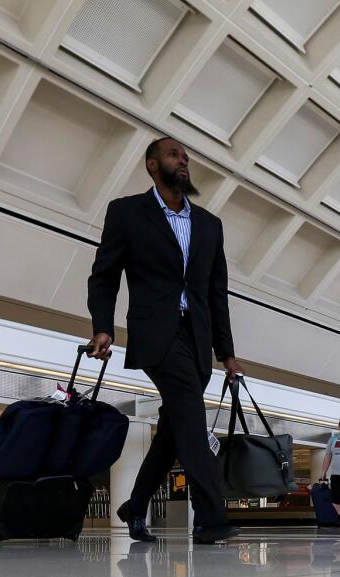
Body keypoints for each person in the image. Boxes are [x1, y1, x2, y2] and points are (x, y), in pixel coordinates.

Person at [88, 136, 245, 545]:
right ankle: (211, 518)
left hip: (198, 337)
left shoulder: (210, 225)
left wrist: (226, 353)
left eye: (186, 157)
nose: (184, 161)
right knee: (190, 418)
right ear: (152, 165)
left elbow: (216, 293)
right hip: (157, 333)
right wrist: (102, 326)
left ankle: (134, 505)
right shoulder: (126, 213)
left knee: (177, 428)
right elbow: (104, 275)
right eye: (174, 155)